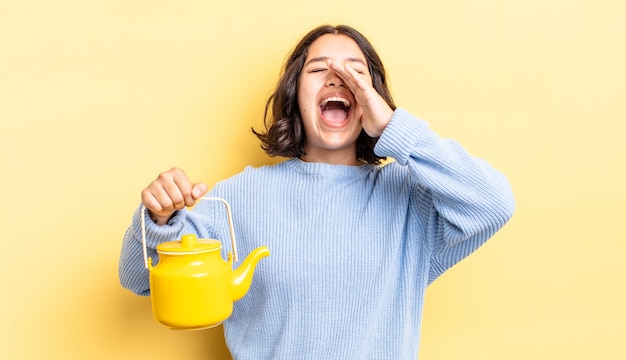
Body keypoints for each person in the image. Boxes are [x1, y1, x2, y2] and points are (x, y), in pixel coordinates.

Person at [119, 24, 515, 359]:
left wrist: (394, 128)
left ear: (370, 98)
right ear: (295, 92)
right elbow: (138, 278)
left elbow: (493, 203)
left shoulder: (410, 198)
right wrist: (159, 218)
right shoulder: (239, 197)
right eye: (319, 68)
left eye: (354, 72)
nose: (337, 77)